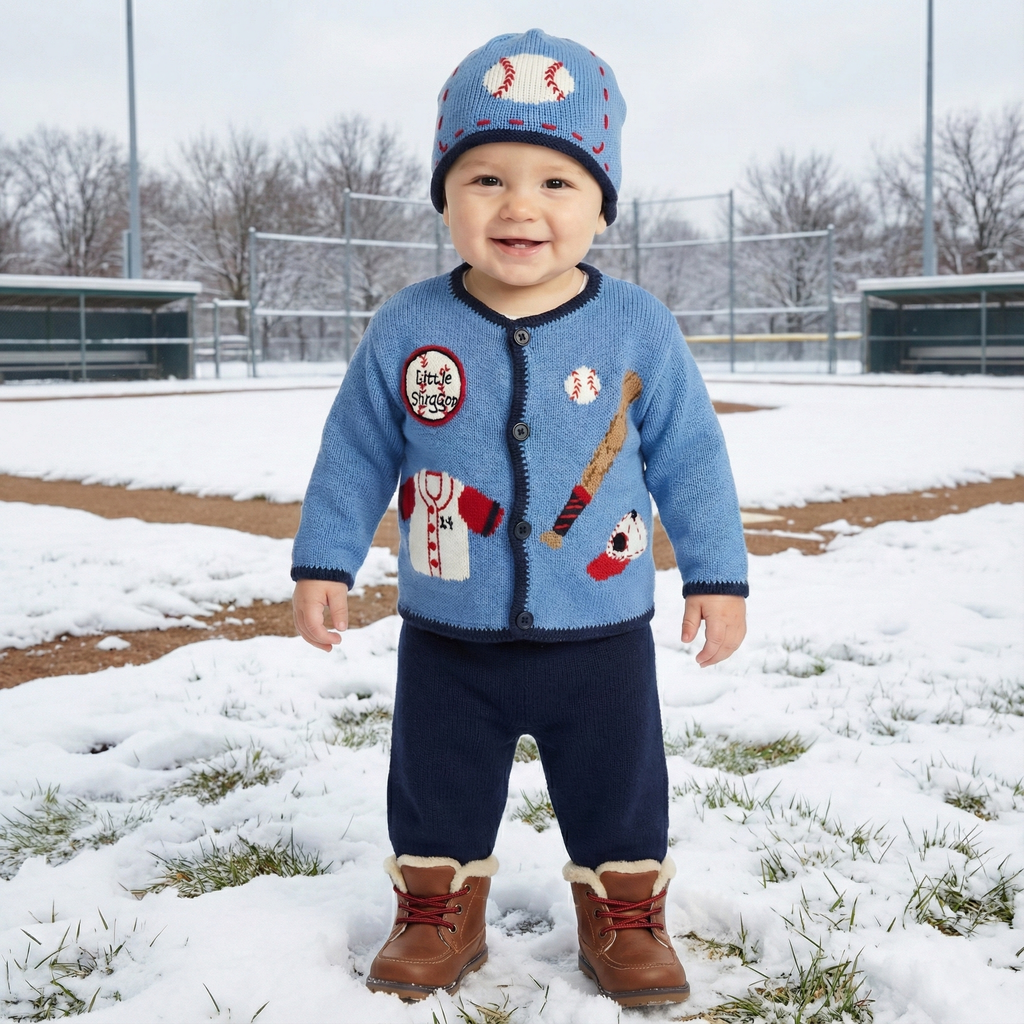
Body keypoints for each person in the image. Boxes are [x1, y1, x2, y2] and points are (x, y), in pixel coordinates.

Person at [291, 28, 748, 1008]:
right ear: (447, 198)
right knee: (435, 780)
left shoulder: (636, 326)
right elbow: (357, 449)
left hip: (601, 630)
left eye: (555, 182)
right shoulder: (409, 326)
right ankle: (437, 909)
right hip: (451, 628)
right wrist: (325, 559)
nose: (518, 206)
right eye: (485, 178)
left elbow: (691, 456)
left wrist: (716, 575)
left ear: (598, 205)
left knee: (619, 787)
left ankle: (623, 914)